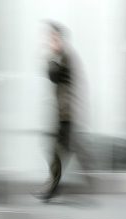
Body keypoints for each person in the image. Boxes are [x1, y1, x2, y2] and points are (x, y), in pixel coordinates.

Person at [35, 22, 93, 202]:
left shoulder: (65, 56)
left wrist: (51, 55)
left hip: (66, 114)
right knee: (66, 149)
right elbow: (52, 76)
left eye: (52, 38)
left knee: (56, 151)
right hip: (64, 113)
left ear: (59, 38)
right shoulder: (63, 56)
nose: (49, 41)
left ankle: (53, 187)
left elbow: (52, 74)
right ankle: (88, 173)